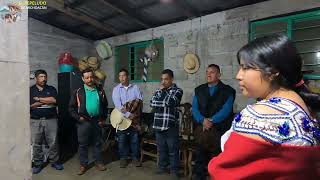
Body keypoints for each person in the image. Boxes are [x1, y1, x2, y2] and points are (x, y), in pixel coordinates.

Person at [208, 34, 320, 179]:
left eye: (245, 68)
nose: (238, 75)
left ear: (273, 71)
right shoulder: (302, 104)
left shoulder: (258, 115)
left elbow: (223, 173)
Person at [192, 64, 235, 180]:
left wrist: (211, 120)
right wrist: (202, 120)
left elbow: (226, 110)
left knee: (217, 158)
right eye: (207, 72)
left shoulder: (228, 91)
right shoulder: (199, 90)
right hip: (201, 128)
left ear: (219, 75)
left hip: (219, 129)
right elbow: (195, 108)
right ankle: (199, 176)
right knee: (200, 154)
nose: (209, 74)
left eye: (212, 72)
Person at [69, 68, 108, 175]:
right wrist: (79, 118)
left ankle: (98, 162)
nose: (89, 79)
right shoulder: (77, 92)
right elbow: (71, 109)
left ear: (94, 77)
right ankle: (83, 165)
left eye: (91, 77)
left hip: (97, 121)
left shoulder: (100, 90)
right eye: (87, 78)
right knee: (83, 144)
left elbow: (105, 106)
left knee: (97, 143)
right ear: (83, 79)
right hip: (83, 121)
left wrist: (102, 119)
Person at [150, 69, 183, 179]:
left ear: (171, 79)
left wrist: (163, 93)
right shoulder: (157, 91)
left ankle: (174, 171)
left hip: (170, 125)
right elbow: (152, 103)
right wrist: (163, 100)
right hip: (158, 124)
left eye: (166, 79)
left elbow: (171, 102)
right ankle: (162, 167)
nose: (163, 82)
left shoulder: (178, 91)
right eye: (162, 79)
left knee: (173, 150)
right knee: (161, 148)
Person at [30, 69, 64, 174]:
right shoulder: (30, 90)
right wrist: (47, 100)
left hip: (51, 120)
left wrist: (38, 100)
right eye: (41, 77)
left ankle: (55, 161)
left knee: (53, 142)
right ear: (36, 78)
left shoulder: (51, 89)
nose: (43, 79)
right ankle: (37, 163)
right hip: (35, 121)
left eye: (45, 77)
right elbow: (30, 105)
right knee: (36, 143)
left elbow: (54, 101)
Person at [112, 68, 143, 168]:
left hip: (134, 118)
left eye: (124, 75)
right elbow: (118, 105)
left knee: (134, 139)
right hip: (122, 118)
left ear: (128, 76)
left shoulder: (135, 87)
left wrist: (133, 115)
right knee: (122, 139)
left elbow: (139, 101)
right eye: (120, 76)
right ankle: (123, 159)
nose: (122, 78)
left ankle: (135, 158)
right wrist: (129, 114)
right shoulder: (116, 89)